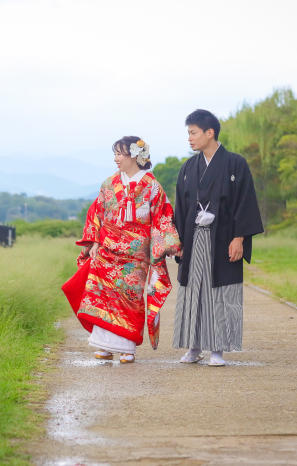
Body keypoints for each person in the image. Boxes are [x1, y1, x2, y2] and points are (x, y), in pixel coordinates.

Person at [62, 136, 181, 363]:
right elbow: (97, 214)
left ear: (134, 155)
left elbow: (162, 216)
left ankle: (127, 348)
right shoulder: (109, 184)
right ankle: (104, 345)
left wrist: (169, 244)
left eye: (119, 153)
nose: (116, 159)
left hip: (136, 255)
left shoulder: (152, 186)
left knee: (131, 298)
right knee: (104, 295)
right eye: (115, 154)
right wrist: (95, 244)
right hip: (108, 250)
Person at [172, 110, 264, 367]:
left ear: (209, 133)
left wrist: (239, 238)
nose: (189, 138)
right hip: (194, 238)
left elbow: (244, 203)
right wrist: (178, 243)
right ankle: (193, 346)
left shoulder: (235, 164)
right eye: (188, 133)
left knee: (221, 293)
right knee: (193, 292)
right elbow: (181, 207)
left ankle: (218, 350)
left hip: (222, 238)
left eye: (193, 133)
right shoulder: (189, 167)